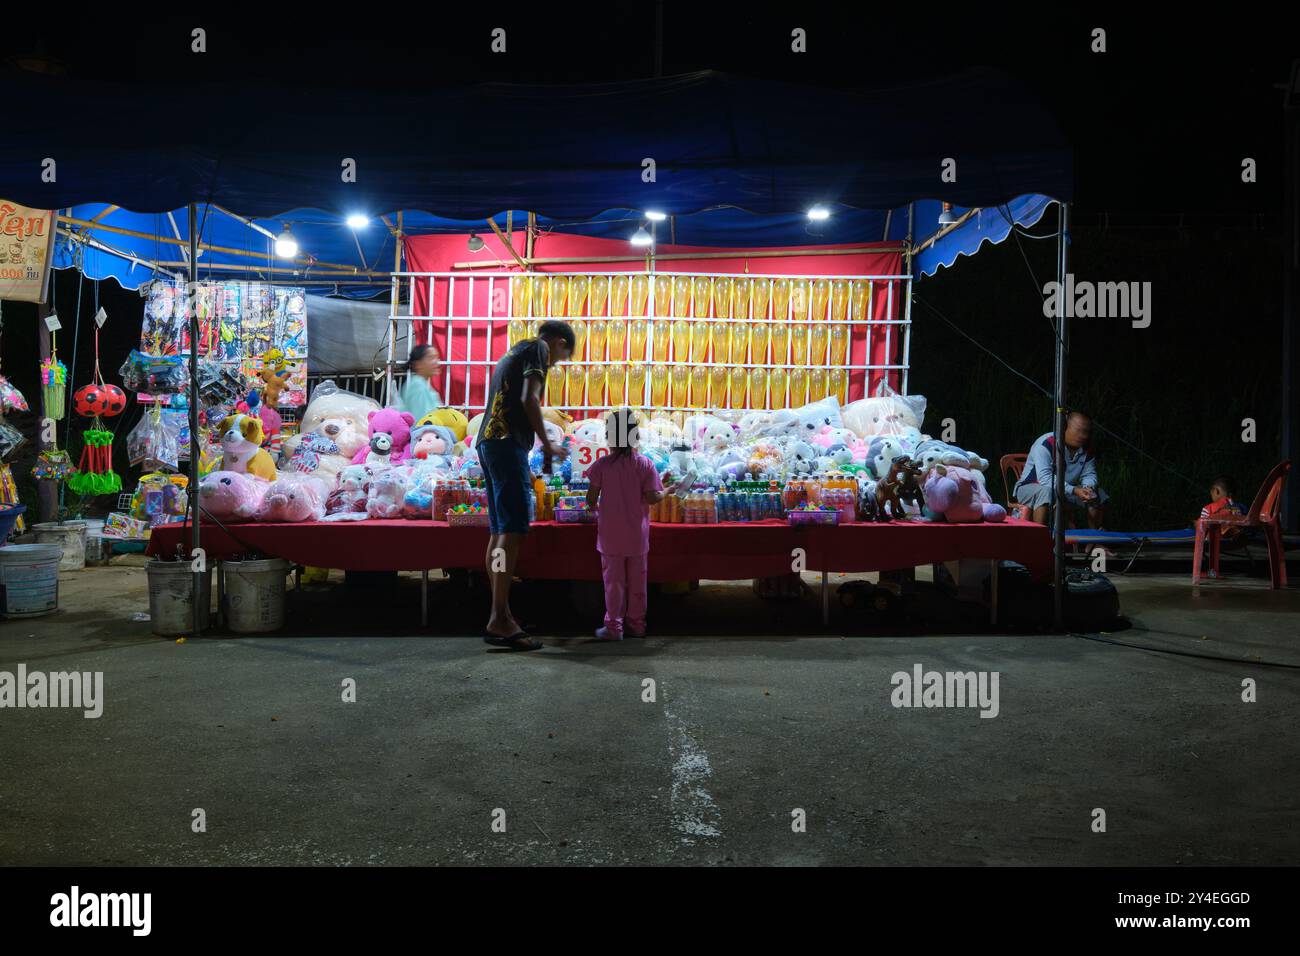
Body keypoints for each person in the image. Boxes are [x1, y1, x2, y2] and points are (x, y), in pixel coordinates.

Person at [478, 321, 574, 651]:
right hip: (506, 444)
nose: (555, 362)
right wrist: (547, 444)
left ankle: (501, 613)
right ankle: (500, 617)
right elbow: (529, 399)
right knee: (513, 531)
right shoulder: (538, 349)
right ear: (559, 343)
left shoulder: (515, 350)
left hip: (489, 443)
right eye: (561, 356)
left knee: (499, 531)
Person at [584, 409, 683, 641]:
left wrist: (596, 509)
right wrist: (667, 489)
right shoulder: (645, 465)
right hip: (637, 537)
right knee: (638, 582)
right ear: (634, 436)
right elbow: (652, 498)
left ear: (609, 437)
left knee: (614, 583)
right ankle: (637, 625)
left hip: (609, 535)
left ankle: (613, 627)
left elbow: (590, 499)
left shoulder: (601, 466)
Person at [1014, 410, 1108, 529]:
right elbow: (1045, 479)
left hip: (1065, 490)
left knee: (1098, 494)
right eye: (1079, 431)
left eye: (1086, 432)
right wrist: (1074, 490)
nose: (1083, 436)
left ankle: (1094, 543)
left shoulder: (1086, 448)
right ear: (1064, 428)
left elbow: (1089, 474)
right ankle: (1039, 540)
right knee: (1047, 492)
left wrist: (1088, 488)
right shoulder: (1046, 444)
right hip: (1029, 488)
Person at [395, 344, 443, 422]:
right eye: (431, 358)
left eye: (437, 357)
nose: (436, 362)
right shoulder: (417, 385)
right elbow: (422, 420)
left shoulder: (420, 383)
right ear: (418, 364)